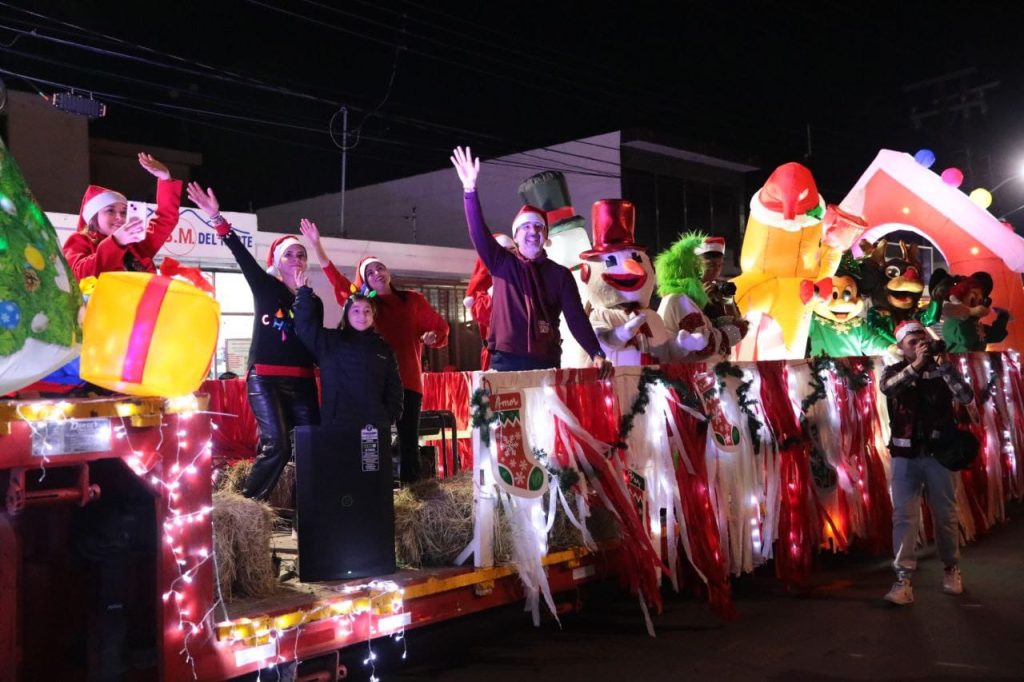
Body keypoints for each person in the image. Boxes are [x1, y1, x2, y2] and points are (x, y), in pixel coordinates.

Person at [187, 182, 320, 501]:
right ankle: (245, 507)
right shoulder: (265, 285)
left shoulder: (312, 300)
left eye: (301, 254)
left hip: (303, 380)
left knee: (312, 446)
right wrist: (216, 217)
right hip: (266, 377)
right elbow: (240, 253)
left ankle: (307, 514)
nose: (296, 259)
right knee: (278, 446)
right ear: (277, 260)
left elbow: (316, 341)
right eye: (289, 254)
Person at [298, 218, 448, 483]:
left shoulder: (413, 300)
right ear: (363, 282)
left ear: (388, 272)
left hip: (409, 382)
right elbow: (334, 277)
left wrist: (432, 338)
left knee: (409, 442)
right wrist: (316, 244)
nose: (377, 273)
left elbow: (440, 329)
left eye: (380, 268)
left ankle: (412, 493)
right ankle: (371, 491)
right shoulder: (366, 305)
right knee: (371, 445)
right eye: (370, 272)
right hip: (372, 386)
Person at [450, 146, 611, 375]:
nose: (533, 231)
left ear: (546, 236)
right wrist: (469, 190)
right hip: (506, 363)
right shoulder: (502, 263)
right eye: (525, 227)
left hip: (547, 361)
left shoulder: (560, 275)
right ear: (515, 237)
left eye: (538, 227)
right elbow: (478, 231)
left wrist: (596, 352)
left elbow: (576, 317)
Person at [879, 320, 974, 605]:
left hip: (938, 454)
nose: (920, 346)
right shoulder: (895, 370)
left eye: (923, 340)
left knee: (946, 514)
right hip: (905, 455)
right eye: (913, 343)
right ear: (901, 347)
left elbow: (966, 396)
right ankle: (903, 580)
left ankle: (951, 568)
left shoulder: (942, 370)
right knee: (904, 517)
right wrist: (917, 365)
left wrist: (944, 367)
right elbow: (889, 389)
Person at [293, 276, 403, 430]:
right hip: (336, 425)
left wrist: (390, 416)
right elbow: (305, 328)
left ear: (373, 315)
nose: (362, 316)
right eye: (356, 311)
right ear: (346, 314)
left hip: (374, 427)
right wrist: (303, 294)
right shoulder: (329, 341)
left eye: (367, 311)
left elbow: (394, 387)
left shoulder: (383, 348)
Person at [63, 153, 183, 279]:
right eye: (110, 211)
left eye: (124, 212)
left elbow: (166, 219)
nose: (119, 217)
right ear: (93, 216)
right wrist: (116, 242)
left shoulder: (136, 245)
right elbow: (76, 276)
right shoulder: (80, 240)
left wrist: (165, 178)